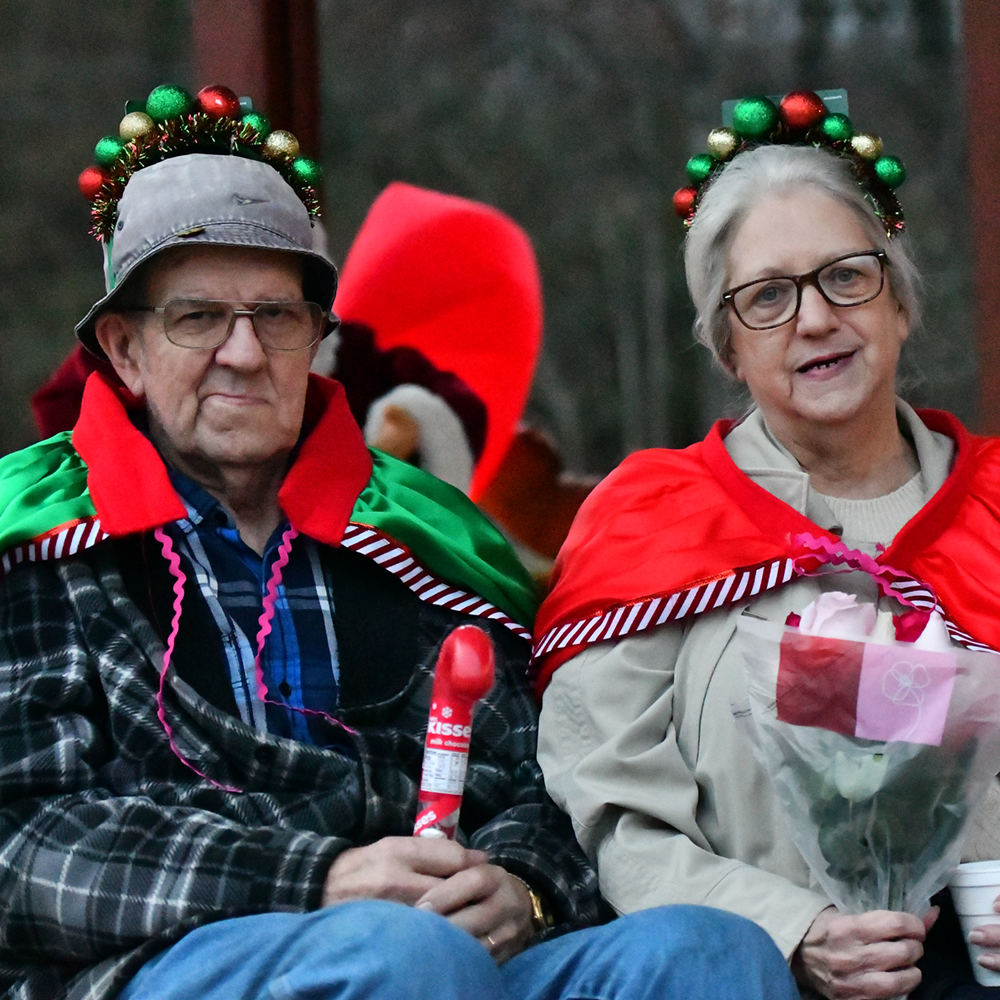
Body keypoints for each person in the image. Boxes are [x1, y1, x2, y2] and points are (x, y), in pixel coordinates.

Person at [0, 84, 798, 1000]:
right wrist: (317, 881)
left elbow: (543, 776)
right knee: (401, 958)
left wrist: (522, 889)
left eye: (277, 316)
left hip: (443, 953)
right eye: (196, 318)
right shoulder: (43, 543)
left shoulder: (412, 537)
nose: (245, 353)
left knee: (710, 954)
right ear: (124, 349)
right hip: (165, 963)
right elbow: (19, 846)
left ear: (318, 339)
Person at [534, 91, 1000, 1000]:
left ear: (900, 304)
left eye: (846, 277)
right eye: (768, 298)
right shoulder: (651, 519)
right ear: (727, 350)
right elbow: (614, 821)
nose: (815, 319)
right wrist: (796, 933)